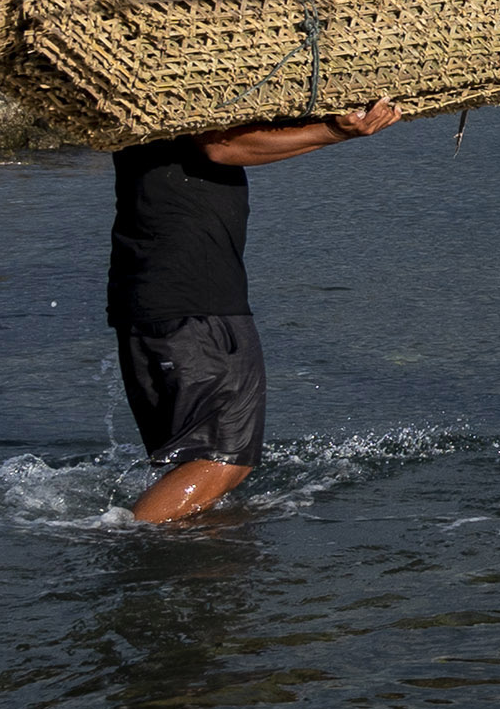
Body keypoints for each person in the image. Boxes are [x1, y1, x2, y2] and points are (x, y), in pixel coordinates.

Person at [108, 97, 404, 524]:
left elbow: (231, 141)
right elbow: (220, 146)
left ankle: (190, 571)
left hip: (155, 298)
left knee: (207, 462)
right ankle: (118, 546)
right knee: (222, 460)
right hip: (194, 302)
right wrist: (337, 131)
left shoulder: (141, 97)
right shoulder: (176, 92)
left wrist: (333, 130)